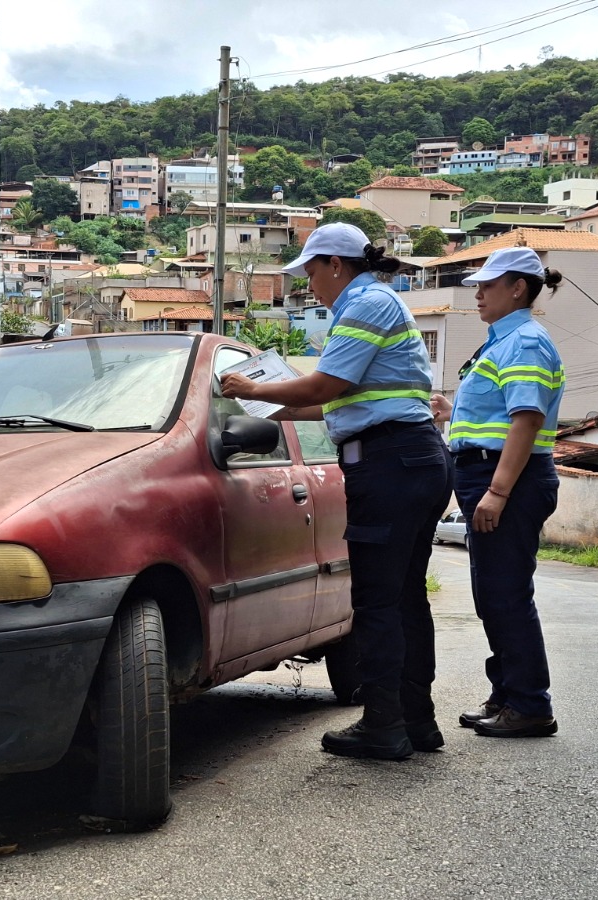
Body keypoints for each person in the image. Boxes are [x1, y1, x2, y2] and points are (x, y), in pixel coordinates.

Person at [220, 222, 451, 760]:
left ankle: (384, 725)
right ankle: (416, 721)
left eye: (311, 272)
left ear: (336, 265)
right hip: (409, 459)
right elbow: (331, 403)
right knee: (404, 597)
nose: (309, 285)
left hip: (390, 464)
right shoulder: (376, 302)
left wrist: (254, 387)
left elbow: (326, 386)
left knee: (377, 600)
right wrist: (267, 407)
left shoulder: (365, 305)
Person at [433, 245, 565, 738]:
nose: (478, 294)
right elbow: (500, 415)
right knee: (492, 595)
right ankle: (507, 695)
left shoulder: (525, 342)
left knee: (506, 595)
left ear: (518, 288)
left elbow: (526, 420)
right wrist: (454, 415)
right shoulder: (502, 341)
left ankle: (529, 705)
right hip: (488, 474)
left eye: (488, 285)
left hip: (510, 479)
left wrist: (499, 492)